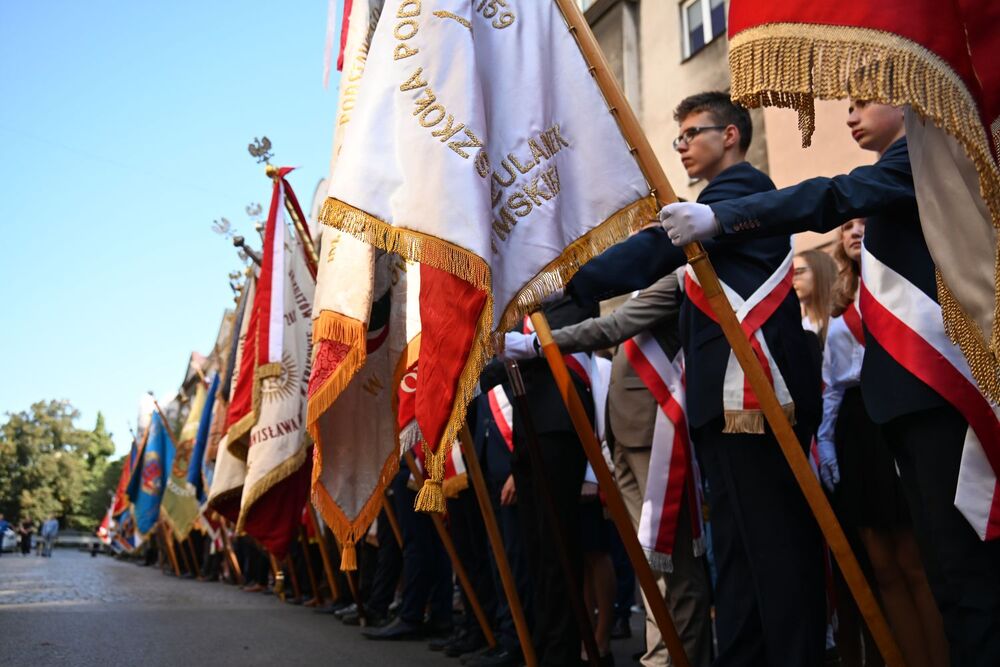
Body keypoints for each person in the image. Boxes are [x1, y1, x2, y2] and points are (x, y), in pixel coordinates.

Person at [662, 99, 1000, 667]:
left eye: (865, 100)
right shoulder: (904, 168)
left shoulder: (928, 156)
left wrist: (722, 218)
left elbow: (832, 193)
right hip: (902, 407)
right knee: (941, 575)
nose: (850, 113)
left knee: (965, 580)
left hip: (945, 395)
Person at [568, 91, 826, 666]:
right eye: (678, 136)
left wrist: (567, 283)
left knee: (772, 549)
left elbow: (655, 249)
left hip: (754, 397)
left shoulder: (742, 193)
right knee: (737, 552)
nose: (680, 145)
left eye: (692, 133)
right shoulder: (709, 205)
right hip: (727, 403)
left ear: (730, 135)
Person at [504, 272, 713, 667]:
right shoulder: (638, 282)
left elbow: (611, 328)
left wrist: (536, 343)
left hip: (659, 434)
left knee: (670, 562)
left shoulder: (671, 278)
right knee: (652, 562)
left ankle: (674, 655)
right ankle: (660, 653)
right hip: (629, 434)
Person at [818, 217, 949, 667]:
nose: (853, 232)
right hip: (855, 428)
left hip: (894, 418)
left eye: (862, 224)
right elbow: (832, 384)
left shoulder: (898, 282)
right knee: (883, 566)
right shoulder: (841, 299)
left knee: (915, 564)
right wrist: (827, 442)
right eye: (845, 228)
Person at [482, 296, 597, 666]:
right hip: (528, 432)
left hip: (559, 424)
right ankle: (546, 646)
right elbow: (500, 365)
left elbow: (562, 335)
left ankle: (562, 652)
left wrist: (520, 343)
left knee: (557, 547)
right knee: (536, 549)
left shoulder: (575, 292)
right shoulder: (527, 310)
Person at [794, 249, 838, 345]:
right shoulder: (798, 330)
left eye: (798, 272)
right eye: (789, 275)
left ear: (821, 271)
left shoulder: (843, 322)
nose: (792, 280)